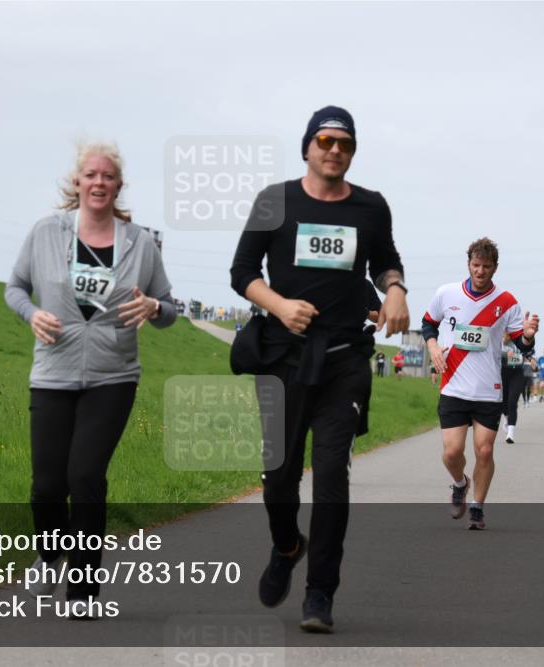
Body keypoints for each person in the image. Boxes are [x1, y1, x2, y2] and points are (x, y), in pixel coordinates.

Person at [229, 105, 408, 633]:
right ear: (308, 146)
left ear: (352, 153)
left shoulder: (372, 207)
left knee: (331, 476)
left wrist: (395, 289)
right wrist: (280, 305)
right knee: (279, 479)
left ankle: (320, 595)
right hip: (284, 357)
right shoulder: (275, 201)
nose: (335, 150)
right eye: (326, 141)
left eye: (345, 144)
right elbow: (242, 272)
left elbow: (386, 261)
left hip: (345, 358)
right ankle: (287, 545)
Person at [4, 141, 177, 619]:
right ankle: (50, 553)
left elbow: (169, 309)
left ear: (119, 186)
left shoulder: (140, 243)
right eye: (90, 175)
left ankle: (82, 593)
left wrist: (154, 307)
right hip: (53, 373)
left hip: (113, 375)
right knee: (45, 486)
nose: (99, 183)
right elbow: (14, 288)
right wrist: (33, 313)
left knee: (85, 477)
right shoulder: (45, 233)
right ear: (76, 183)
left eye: (108, 176)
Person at [423, 238, 538, 530]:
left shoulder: (507, 301)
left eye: (486, 267)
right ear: (468, 264)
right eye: (476, 265)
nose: (481, 271)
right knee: (451, 453)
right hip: (453, 386)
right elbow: (428, 323)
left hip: (488, 389)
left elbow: (522, 347)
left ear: (495, 268)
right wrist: (433, 347)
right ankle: (460, 484)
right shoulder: (446, 293)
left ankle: (477, 507)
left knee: (484, 450)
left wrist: (527, 335)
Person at [499, 333, 527, 443]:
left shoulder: (520, 341)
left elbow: (528, 353)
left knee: (512, 401)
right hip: (502, 373)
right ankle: (506, 417)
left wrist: (531, 360)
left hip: (517, 374)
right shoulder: (498, 339)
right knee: (503, 402)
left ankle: (510, 433)